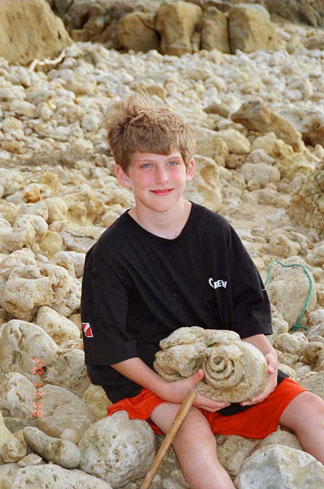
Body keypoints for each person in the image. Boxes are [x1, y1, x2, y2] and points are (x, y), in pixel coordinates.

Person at [81, 94, 324, 489]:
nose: (161, 178)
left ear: (190, 168)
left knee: (313, 408)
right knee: (194, 434)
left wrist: (262, 364)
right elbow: (111, 346)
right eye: (146, 166)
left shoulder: (216, 232)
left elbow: (248, 314)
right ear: (123, 175)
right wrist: (171, 391)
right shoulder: (109, 255)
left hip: (227, 366)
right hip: (151, 376)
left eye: (172, 164)